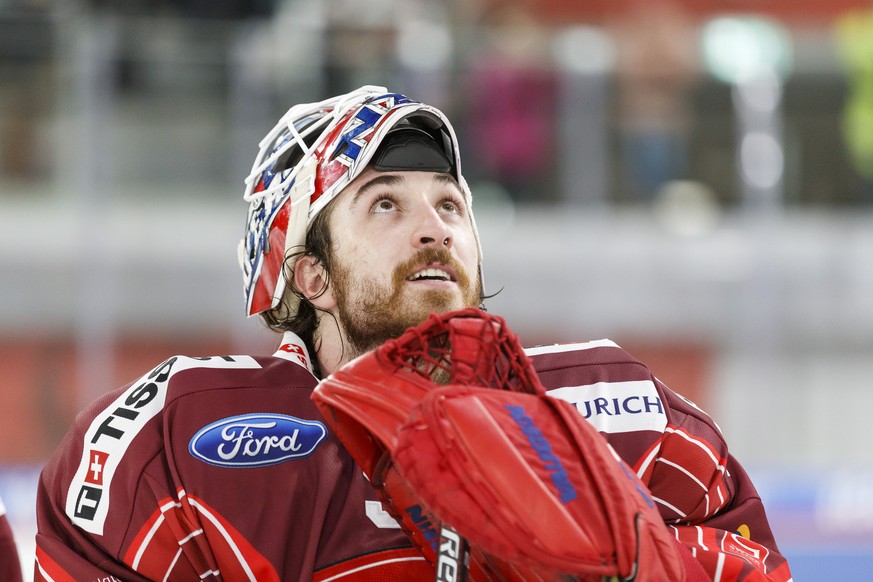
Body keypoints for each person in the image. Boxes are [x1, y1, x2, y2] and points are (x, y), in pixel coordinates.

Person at [33, 86, 792, 580]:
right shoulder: (172, 440)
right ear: (310, 277)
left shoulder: (623, 411)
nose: (433, 227)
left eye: (450, 205)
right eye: (384, 205)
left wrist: (633, 561)